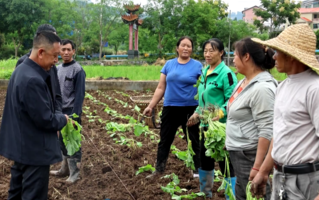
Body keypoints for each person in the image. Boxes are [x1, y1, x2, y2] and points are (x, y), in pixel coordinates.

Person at [250, 24, 319, 200]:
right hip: (280, 175)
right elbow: (279, 134)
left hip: (306, 180)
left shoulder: (314, 88)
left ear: (292, 56)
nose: (274, 56)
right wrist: (264, 171)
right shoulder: (283, 86)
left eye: (278, 51)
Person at [0, 31, 68, 200]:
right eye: (54, 56)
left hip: (21, 149)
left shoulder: (20, 71)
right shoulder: (33, 80)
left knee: (16, 193)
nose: (56, 61)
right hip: (35, 153)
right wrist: (63, 119)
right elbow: (46, 119)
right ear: (41, 53)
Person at [226, 37, 277, 200]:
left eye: (235, 55)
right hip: (239, 151)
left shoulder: (262, 88)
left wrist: (257, 167)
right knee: (242, 193)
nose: (233, 59)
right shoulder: (244, 81)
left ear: (246, 57)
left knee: (256, 195)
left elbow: (267, 130)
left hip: (250, 154)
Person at [143, 36, 202, 178]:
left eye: (189, 46)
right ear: (177, 48)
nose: (186, 48)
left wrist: (202, 108)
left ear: (192, 49)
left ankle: (197, 171)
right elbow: (160, 87)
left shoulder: (198, 66)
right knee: (165, 139)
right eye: (183, 45)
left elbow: (203, 87)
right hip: (170, 108)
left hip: (191, 109)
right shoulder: (169, 65)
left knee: (194, 140)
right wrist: (151, 105)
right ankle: (159, 169)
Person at [187, 38, 237, 198]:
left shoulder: (227, 74)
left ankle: (231, 195)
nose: (207, 54)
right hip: (206, 127)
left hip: (222, 128)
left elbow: (232, 100)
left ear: (221, 53)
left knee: (225, 164)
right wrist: (196, 113)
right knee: (205, 160)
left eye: (212, 51)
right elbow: (202, 99)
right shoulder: (204, 72)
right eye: (205, 51)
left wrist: (220, 113)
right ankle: (205, 194)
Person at [50, 39, 86, 183]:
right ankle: (64, 169)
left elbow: (79, 95)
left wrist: (75, 116)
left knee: (73, 142)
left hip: (71, 112)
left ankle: (74, 173)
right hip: (59, 111)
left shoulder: (78, 70)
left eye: (68, 50)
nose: (66, 52)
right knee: (62, 141)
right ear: (60, 51)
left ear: (73, 51)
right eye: (63, 49)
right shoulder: (58, 69)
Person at [16, 24, 63, 120]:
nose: (56, 60)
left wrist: (57, 116)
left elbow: (57, 94)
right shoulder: (23, 64)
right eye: (50, 38)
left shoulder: (52, 64)